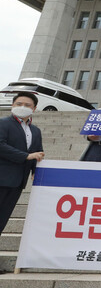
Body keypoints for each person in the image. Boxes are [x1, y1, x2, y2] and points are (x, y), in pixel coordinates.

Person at [0, 92, 44, 235]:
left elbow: (37, 152)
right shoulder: (3, 123)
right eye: (19, 104)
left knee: (3, 218)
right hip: (2, 177)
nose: (22, 107)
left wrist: (35, 170)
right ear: (12, 105)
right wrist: (26, 156)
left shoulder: (35, 130)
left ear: (34, 108)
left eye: (27, 105)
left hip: (18, 182)